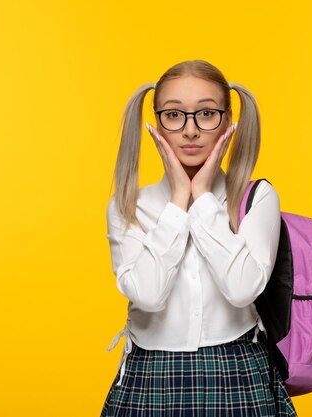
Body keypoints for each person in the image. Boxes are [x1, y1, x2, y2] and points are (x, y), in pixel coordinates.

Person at [101, 59, 298, 416]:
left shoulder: (256, 199)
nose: (190, 130)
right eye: (174, 115)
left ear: (227, 121)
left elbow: (242, 290)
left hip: (237, 372)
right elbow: (147, 295)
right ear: (156, 123)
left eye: (206, 114)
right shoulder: (129, 205)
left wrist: (203, 196)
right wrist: (179, 201)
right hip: (150, 377)